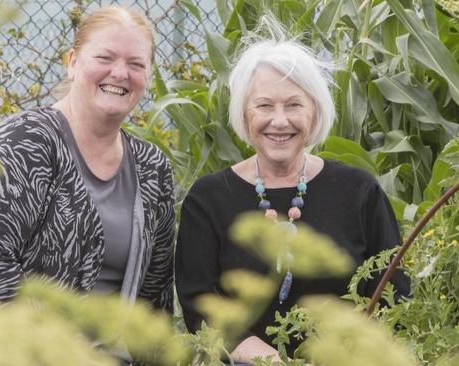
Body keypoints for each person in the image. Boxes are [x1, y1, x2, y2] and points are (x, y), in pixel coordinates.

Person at [0, 5, 175, 313]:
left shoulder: (152, 168)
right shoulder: (24, 143)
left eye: (136, 64)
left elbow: (154, 297)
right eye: (104, 58)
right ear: (73, 63)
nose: (120, 73)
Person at [175, 22, 410, 363]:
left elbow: (393, 295)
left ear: (314, 112)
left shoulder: (359, 191)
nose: (280, 121)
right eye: (265, 106)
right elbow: (200, 308)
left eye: (294, 105)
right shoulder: (209, 198)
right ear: (244, 113)